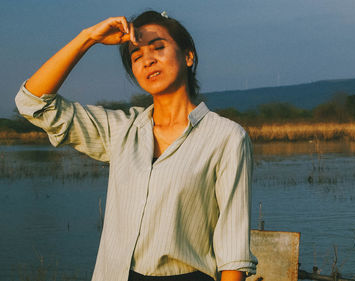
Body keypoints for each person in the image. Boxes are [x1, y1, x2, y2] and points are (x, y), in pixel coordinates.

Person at [15, 10, 257, 281]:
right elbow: (33, 102)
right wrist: (88, 38)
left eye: (159, 47)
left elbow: (233, 246)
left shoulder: (226, 137)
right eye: (137, 56)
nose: (148, 60)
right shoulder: (121, 130)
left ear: (188, 56)